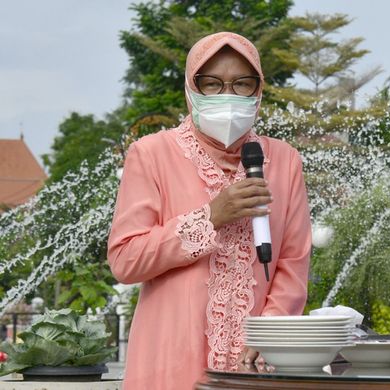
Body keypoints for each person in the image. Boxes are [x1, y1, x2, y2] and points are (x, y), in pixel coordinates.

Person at [107, 32, 312, 389]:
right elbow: (125, 259)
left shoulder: (283, 160)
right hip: (170, 359)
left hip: (258, 363)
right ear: (191, 87)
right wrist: (210, 217)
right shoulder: (151, 154)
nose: (228, 95)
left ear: (259, 90)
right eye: (213, 84)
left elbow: (293, 264)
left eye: (242, 84)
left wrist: (269, 334)